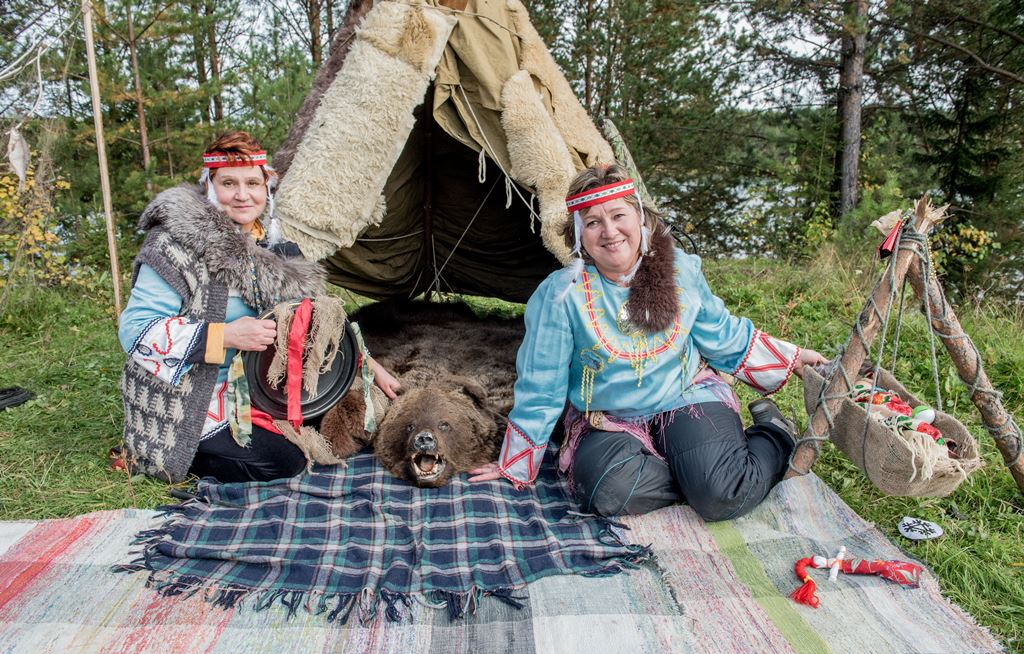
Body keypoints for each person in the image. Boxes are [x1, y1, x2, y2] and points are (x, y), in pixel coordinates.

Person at [469, 164, 826, 521]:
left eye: (618, 215)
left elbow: (722, 334)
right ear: (579, 235)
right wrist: (515, 463)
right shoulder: (562, 295)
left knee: (722, 496)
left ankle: (773, 436)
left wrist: (792, 358)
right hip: (608, 419)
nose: (610, 232)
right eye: (593, 222)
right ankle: (699, 472)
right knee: (607, 491)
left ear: (640, 218)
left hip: (684, 397)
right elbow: (541, 383)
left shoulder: (678, 271)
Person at [119, 131, 400, 483]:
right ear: (209, 186)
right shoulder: (172, 245)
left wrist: (368, 365)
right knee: (284, 461)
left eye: (252, 182)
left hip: (260, 386)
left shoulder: (273, 242)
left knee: (348, 417)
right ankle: (164, 454)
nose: (241, 195)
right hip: (194, 396)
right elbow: (136, 330)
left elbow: (315, 319)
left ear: (266, 186)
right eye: (228, 183)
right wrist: (225, 335)